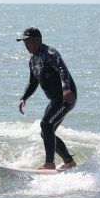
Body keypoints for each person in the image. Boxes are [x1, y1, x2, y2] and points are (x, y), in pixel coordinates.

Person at [16, 27, 77, 170]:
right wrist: (24, 97)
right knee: (46, 132)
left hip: (65, 96)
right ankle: (69, 161)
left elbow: (62, 69)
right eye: (24, 43)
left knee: (46, 125)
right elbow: (33, 82)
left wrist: (66, 88)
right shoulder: (33, 60)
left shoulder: (50, 53)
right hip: (55, 99)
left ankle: (49, 163)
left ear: (38, 40)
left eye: (28, 42)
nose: (26, 46)